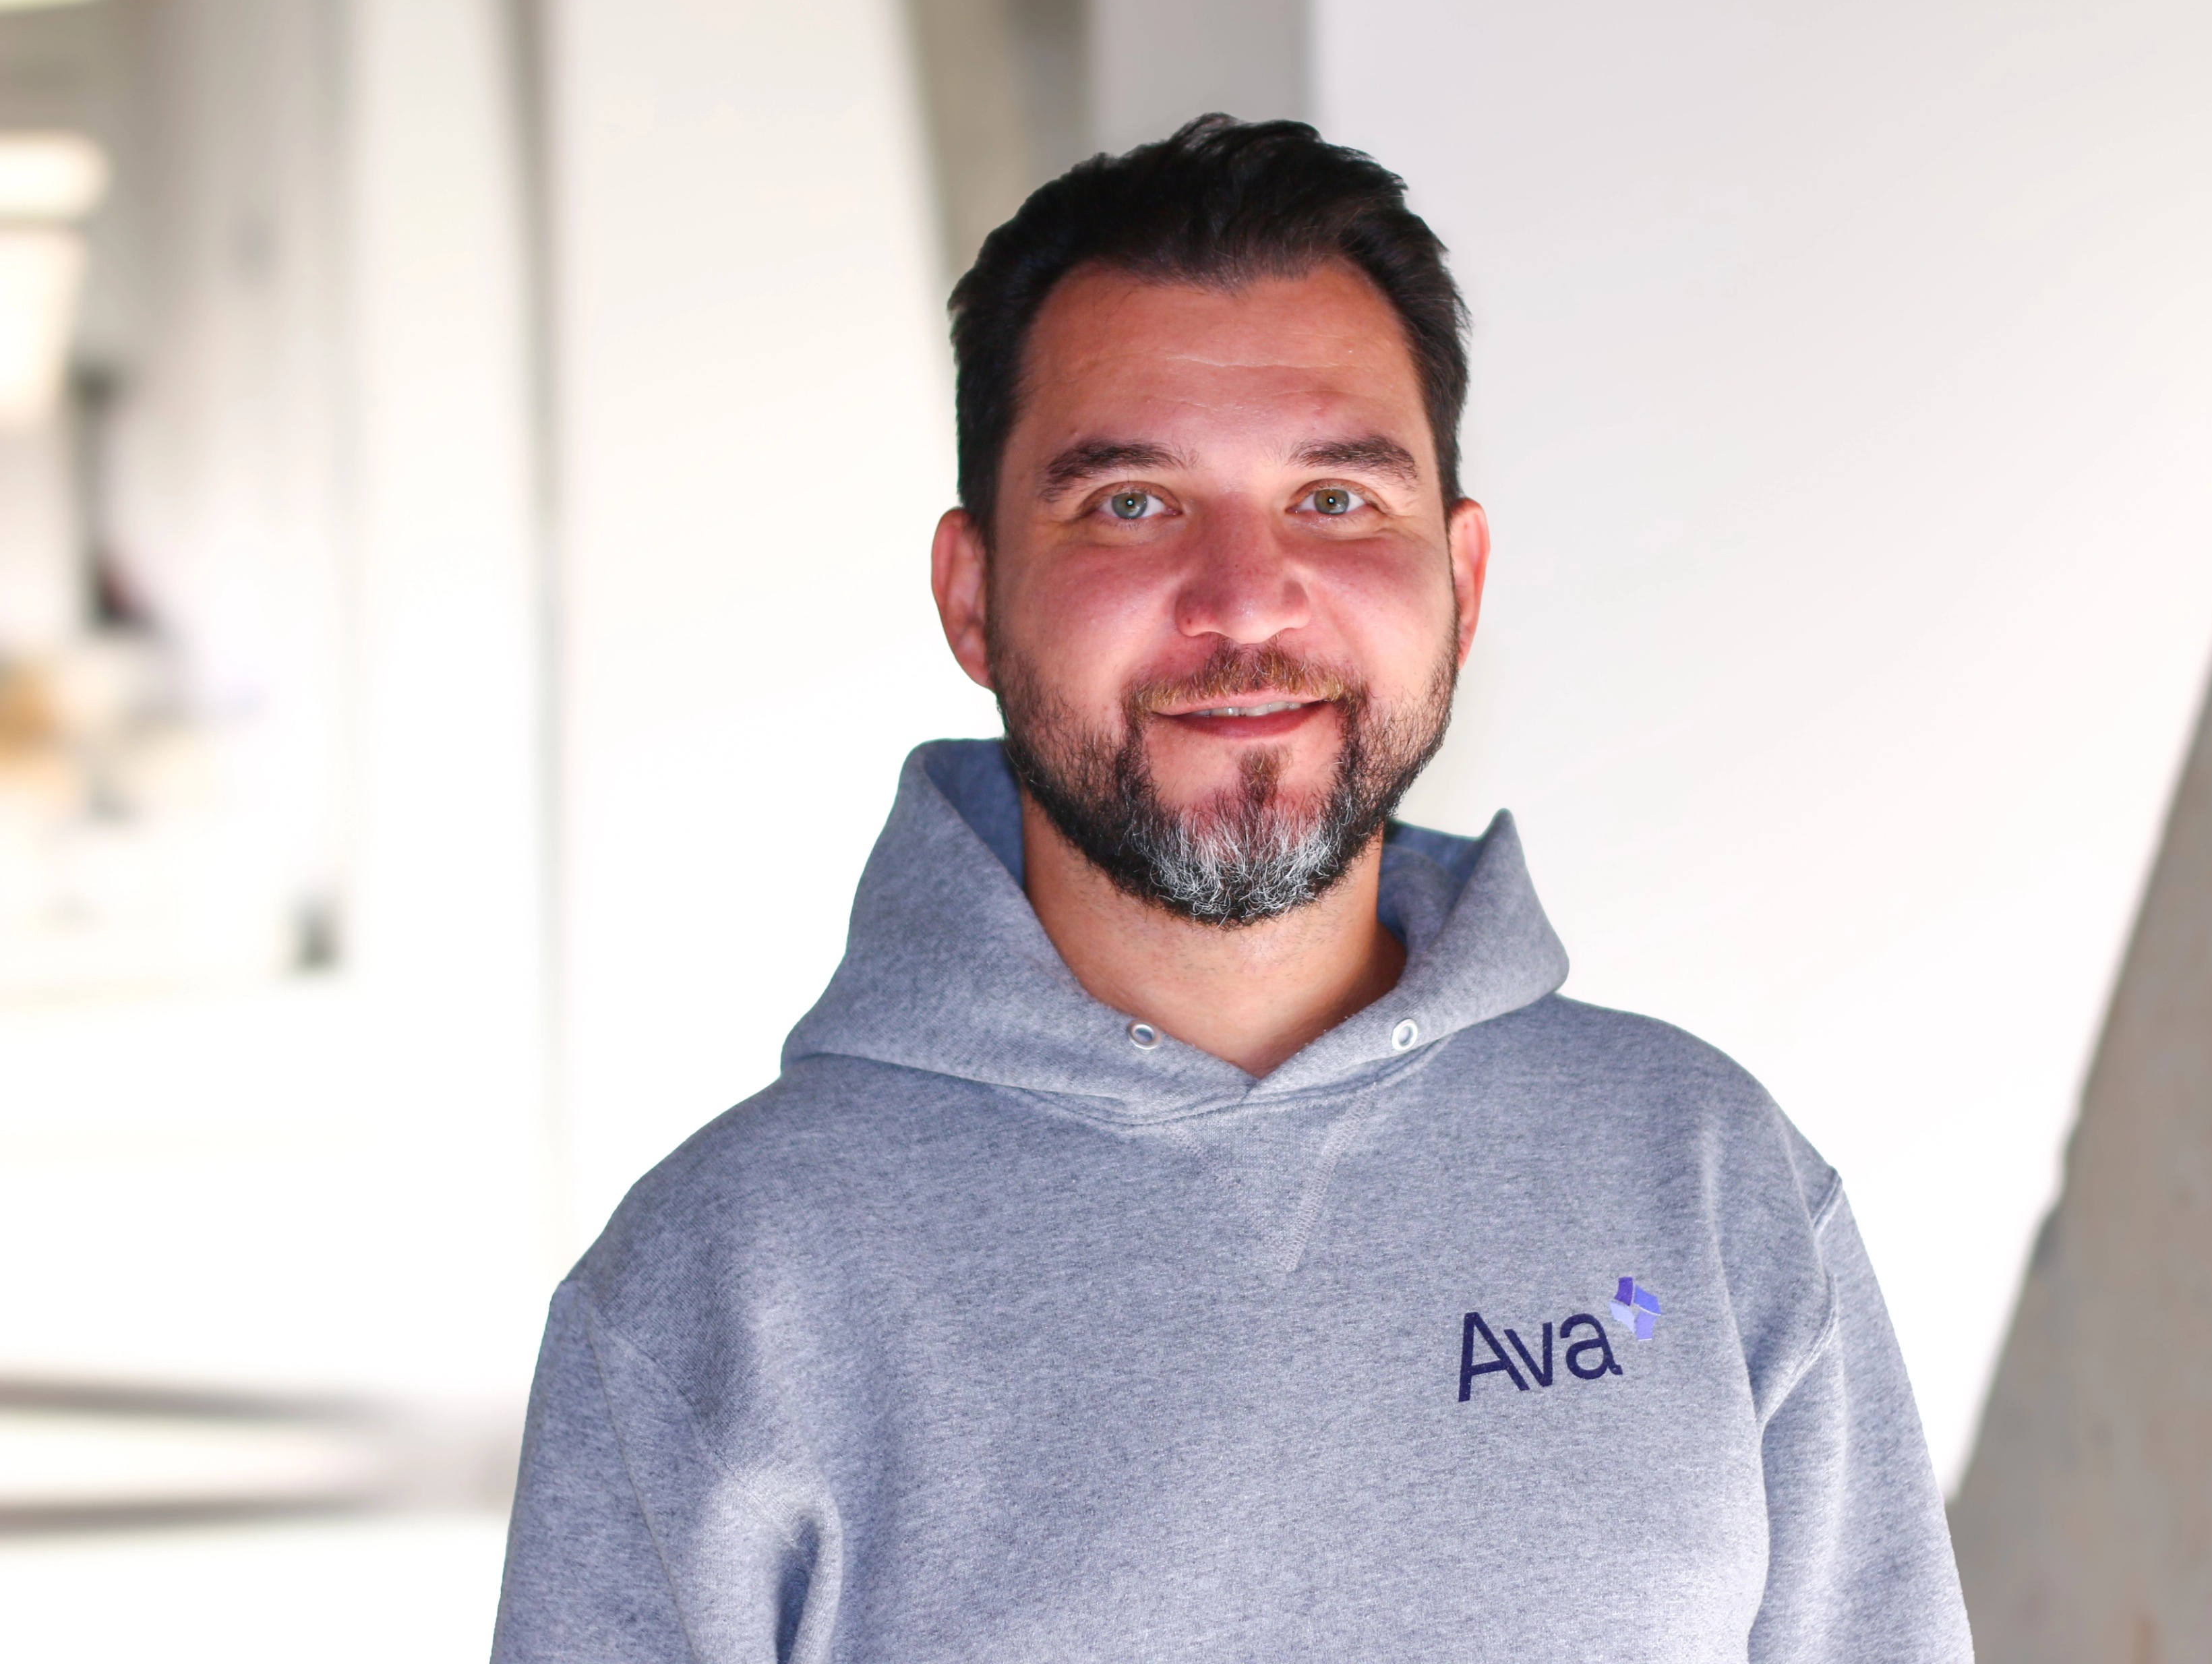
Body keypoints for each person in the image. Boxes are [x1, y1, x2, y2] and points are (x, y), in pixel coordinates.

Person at [491, 115, 1973, 1663]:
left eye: (1337, 499)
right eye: (1131, 502)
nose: (1244, 599)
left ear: (1461, 582)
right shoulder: (723, 1288)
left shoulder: (1710, 1185)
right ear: (973, 594)